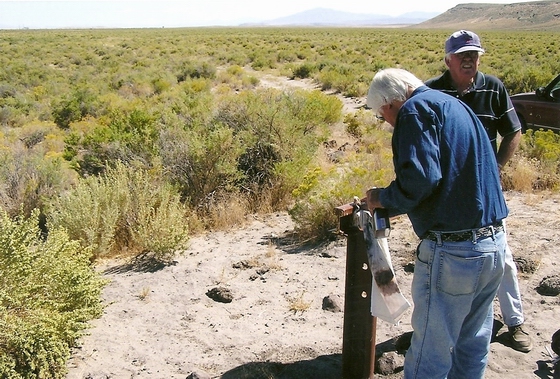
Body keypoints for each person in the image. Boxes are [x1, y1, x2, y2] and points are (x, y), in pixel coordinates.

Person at [365, 68, 507, 379]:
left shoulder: (414, 110)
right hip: (493, 245)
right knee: (473, 343)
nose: (386, 121)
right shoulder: (454, 105)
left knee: (432, 347)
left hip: (455, 251)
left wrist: (381, 198)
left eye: (382, 114)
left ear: (390, 102)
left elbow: (422, 180)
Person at [425, 29, 532, 353]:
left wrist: (495, 168)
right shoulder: (432, 91)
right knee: (441, 254)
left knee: (500, 253)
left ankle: (515, 323)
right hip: (446, 191)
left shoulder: (493, 88)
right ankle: (436, 327)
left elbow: (513, 130)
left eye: (475, 54)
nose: (470, 60)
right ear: (448, 60)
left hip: (485, 190)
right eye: (463, 55)